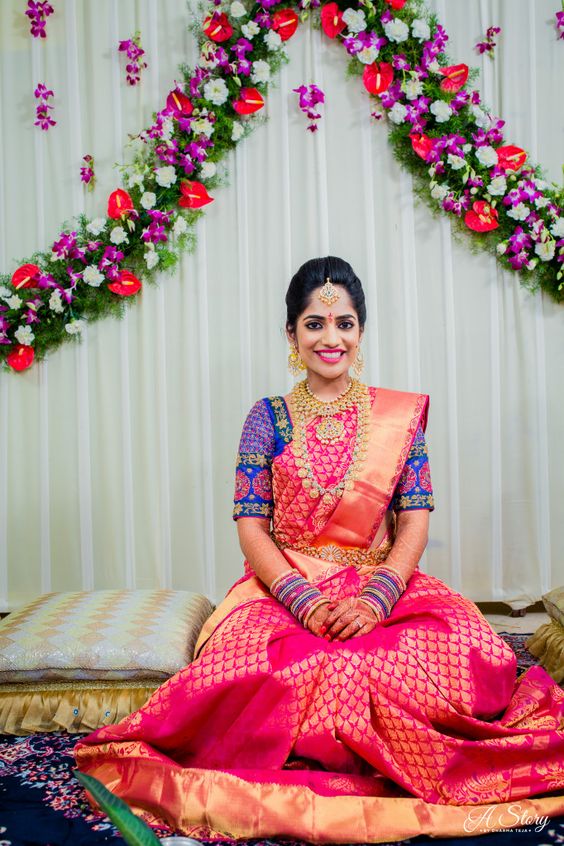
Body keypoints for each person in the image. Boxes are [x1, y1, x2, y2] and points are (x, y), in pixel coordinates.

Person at [75, 257, 564, 842]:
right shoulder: (267, 418)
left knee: (450, 662)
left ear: (361, 331)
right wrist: (304, 602)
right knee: (279, 672)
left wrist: (377, 600)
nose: (330, 339)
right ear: (291, 334)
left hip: (382, 586)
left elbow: (415, 523)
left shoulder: (398, 418)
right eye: (314, 323)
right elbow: (252, 528)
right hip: (280, 587)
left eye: (345, 323)